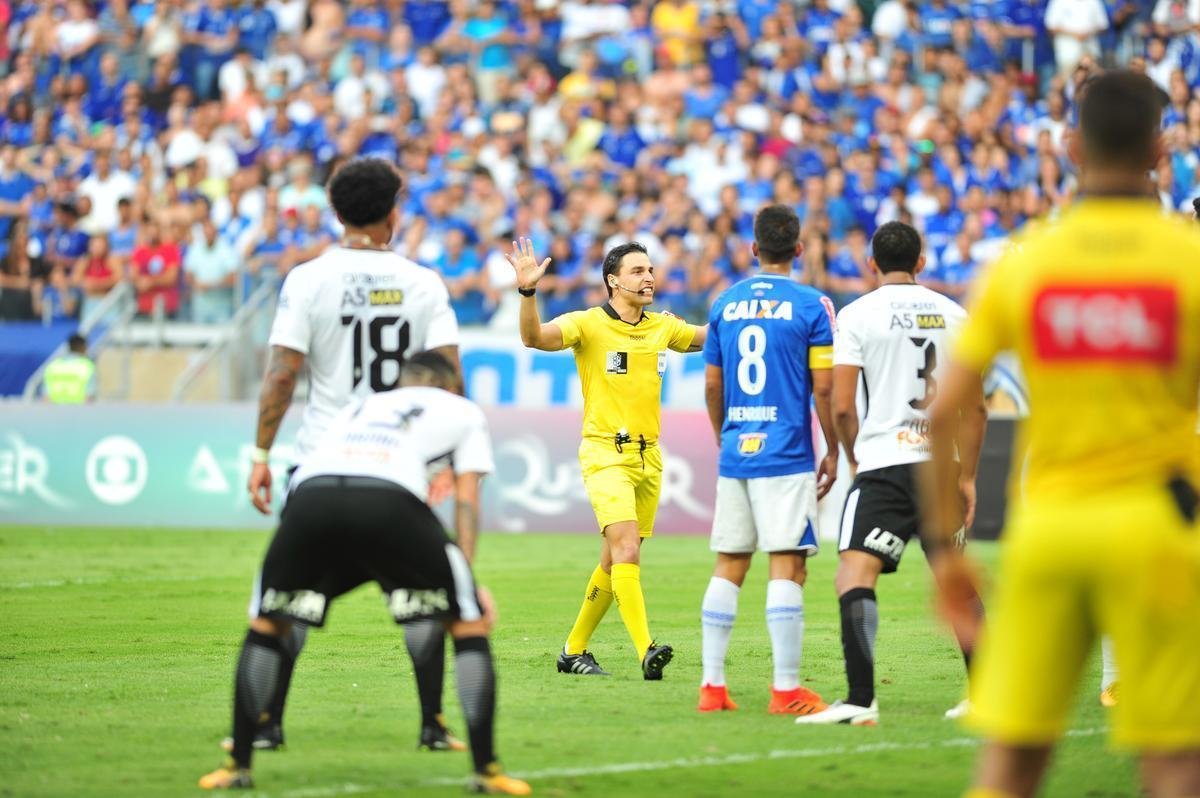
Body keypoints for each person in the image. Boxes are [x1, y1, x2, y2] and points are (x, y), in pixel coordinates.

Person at [928, 71, 1200, 798]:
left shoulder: (1026, 261)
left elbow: (944, 408)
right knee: (1175, 764)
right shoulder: (1188, 260)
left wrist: (948, 553)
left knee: (1012, 762)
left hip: (1050, 527)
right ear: (1161, 150)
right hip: (1159, 527)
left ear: (1073, 147)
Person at [199, 351, 531, 796]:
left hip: (311, 500)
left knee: (267, 623)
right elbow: (467, 495)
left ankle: (236, 764)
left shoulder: (362, 405)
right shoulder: (462, 409)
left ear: (403, 382)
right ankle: (486, 770)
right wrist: (464, 587)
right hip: (387, 500)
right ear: (450, 385)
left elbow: (313, 468)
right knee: (468, 624)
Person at [242, 157, 465, 755]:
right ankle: (432, 724)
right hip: (398, 466)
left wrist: (261, 453)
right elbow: (448, 376)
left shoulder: (307, 279)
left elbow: (281, 375)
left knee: (287, 598)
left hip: (320, 463)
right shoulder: (422, 283)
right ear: (394, 211)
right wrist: (445, 460)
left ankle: (266, 723)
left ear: (336, 212)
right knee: (423, 596)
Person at [796, 221, 988, 727]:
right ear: (921, 262)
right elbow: (977, 408)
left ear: (871, 265)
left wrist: (853, 457)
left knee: (854, 575)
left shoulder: (858, 314)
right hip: (941, 464)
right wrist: (967, 478)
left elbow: (841, 405)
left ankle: (861, 700)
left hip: (885, 462)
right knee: (955, 579)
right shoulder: (956, 315)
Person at [508, 237, 707, 679]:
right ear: (613, 281)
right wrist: (527, 291)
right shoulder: (588, 324)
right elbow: (533, 338)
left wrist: (745, 308)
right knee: (627, 549)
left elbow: (712, 337)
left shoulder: (663, 327)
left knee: (614, 560)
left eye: (650, 270)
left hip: (649, 457)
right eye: (638, 271)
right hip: (605, 453)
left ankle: (573, 650)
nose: (649, 277)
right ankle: (646, 650)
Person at [697, 204, 838, 715]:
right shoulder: (812, 305)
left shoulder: (724, 303)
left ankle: (712, 687)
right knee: (788, 563)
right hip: (786, 452)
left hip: (737, 449)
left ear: (753, 249)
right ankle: (785, 690)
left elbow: (712, 385)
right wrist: (834, 448)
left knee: (730, 562)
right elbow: (825, 387)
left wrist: (724, 437)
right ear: (798, 249)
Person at [43, 333, 96, 404]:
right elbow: (89, 397)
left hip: (55, 409)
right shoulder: (87, 366)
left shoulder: (53, 366)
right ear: (82, 347)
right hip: (79, 409)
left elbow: (46, 397)